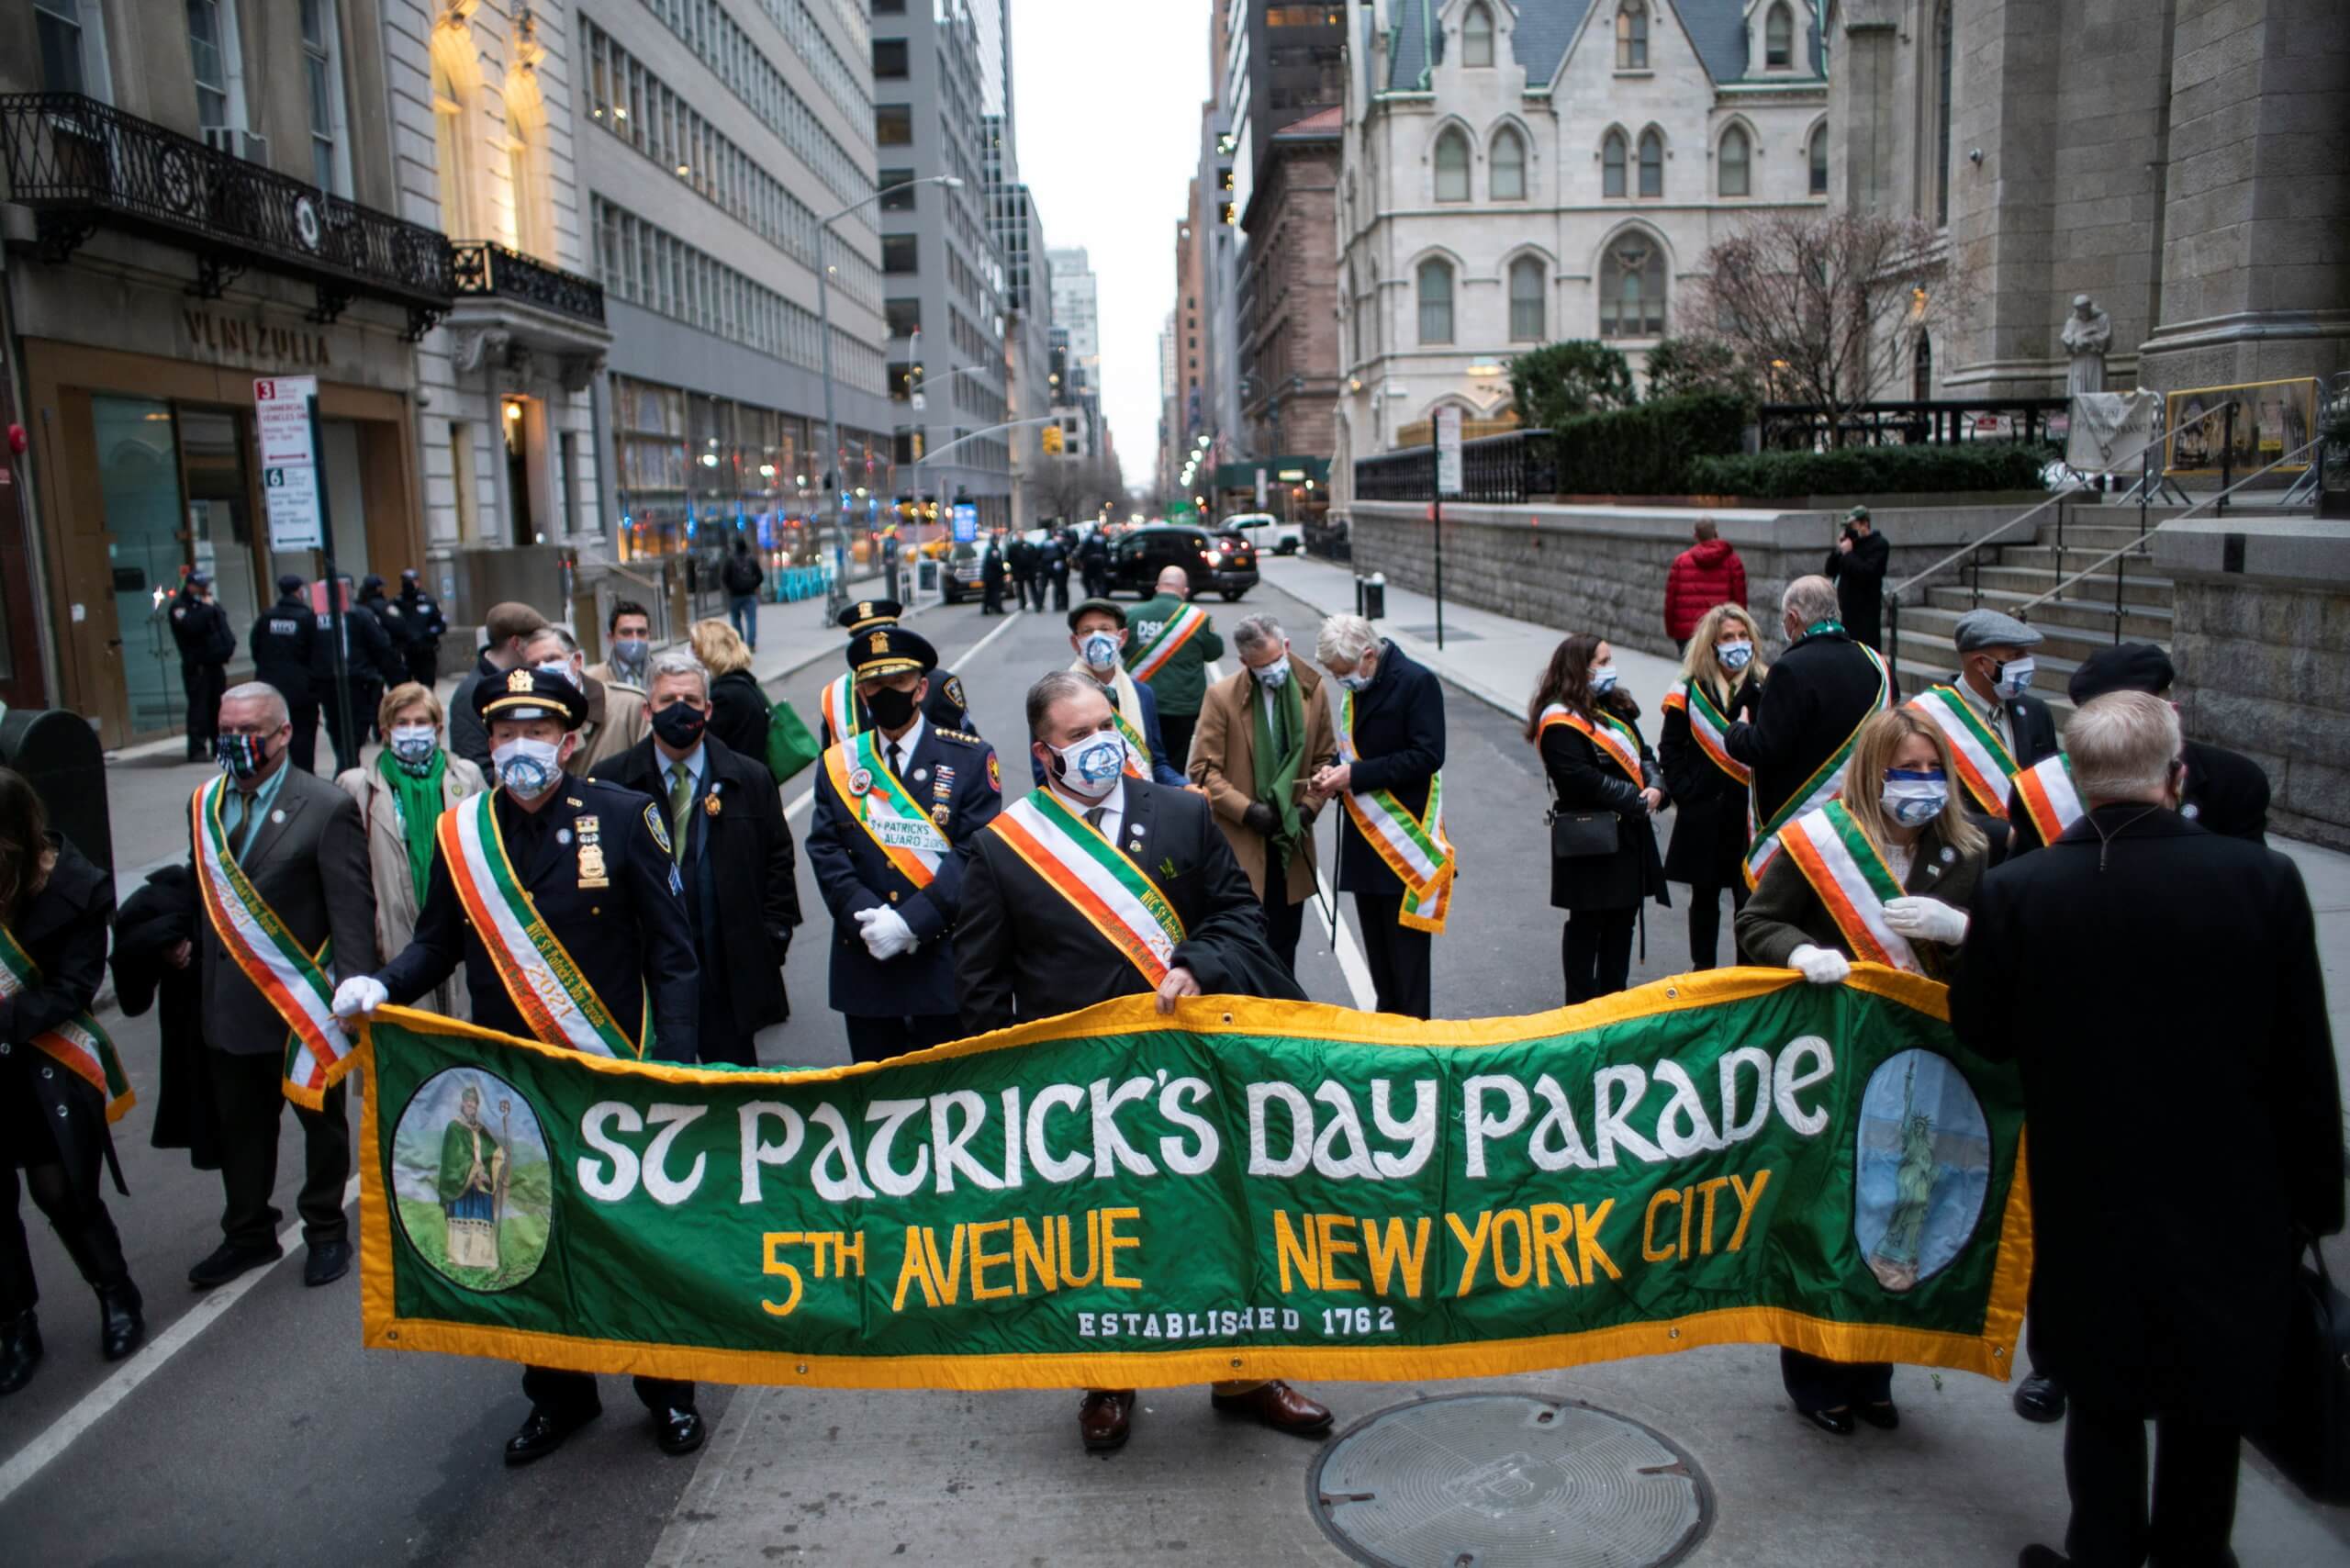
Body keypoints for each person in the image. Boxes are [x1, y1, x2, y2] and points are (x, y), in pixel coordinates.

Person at [1952, 692, 2340, 1568]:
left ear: (2079, 782)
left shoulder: (2019, 889)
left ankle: (2104, 1550)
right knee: (2210, 1408)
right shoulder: (2260, 881)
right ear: (2178, 775)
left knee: (2103, 1398)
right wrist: (2320, 1197)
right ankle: (2195, 1555)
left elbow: (1980, 1033)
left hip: (2090, 1189)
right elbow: (2303, 1057)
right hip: (2235, 1195)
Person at [332, 668, 704, 1465]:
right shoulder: (463, 832)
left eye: (538, 733)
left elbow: (674, 956)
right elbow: (438, 938)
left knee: (634, 1239)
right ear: (488, 744)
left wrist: (672, 1065)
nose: (521, 747)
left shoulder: (625, 815)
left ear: (568, 742)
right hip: (510, 1081)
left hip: (613, 1071)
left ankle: (667, 1392)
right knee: (528, 1238)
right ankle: (559, 1396)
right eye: (505, 734)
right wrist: (384, 982)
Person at [956, 671, 1328, 1455]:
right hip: (1083, 1085)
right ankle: (1108, 1378)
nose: (1100, 745)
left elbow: (1238, 915)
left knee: (1227, 1222)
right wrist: (1001, 1090)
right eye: (1079, 735)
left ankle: (1245, 1374)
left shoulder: (1184, 814)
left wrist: (1196, 962)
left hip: (1197, 1068)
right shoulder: (1003, 847)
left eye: (1107, 727)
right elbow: (982, 983)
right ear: (1044, 751)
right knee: (1107, 1235)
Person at [1736, 706, 1989, 1436]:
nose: (1922, 783)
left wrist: (1962, 932)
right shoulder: (1822, 846)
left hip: (1924, 1066)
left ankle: (1876, 1368)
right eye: (1906, 770)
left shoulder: (1967, 854)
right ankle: (1817, 1378)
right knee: (1827, 1210)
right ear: (1873, 774)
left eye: (1932, 769)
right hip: (1835, 1056)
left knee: (1902, 1213)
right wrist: (1800, 954)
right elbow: (1758, 921)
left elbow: (1998, 957)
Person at [185, 682, 377, 1291]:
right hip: (231, 1004)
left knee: (319, 1126)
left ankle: (324, 1230)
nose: (236, 746)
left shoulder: (323, 806)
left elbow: (350, 907)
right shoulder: (204, 804)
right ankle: (247, 1232)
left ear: (285, 734)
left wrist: (353, 990)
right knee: (241, 1129)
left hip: (302, 1006)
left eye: (249, 734)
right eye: (226, 733)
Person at [0, 767, 142, 1392]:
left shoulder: (76, 888)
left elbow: (72, 987)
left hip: (46, 1058)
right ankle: (14, 1321)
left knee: (62, 1192)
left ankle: (116, 1294)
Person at [596, 648, 800, 1067]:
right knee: (661, 1089)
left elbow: (778, 861)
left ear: (707, 709)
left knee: (734, 1092)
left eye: (690, 701)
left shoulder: (750, 777)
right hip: (648, 974)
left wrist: (771, 939)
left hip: (730, 970)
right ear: (647, 709)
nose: (679, 710)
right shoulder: (612, 781)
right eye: (668, 701)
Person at [805, 627, 1000, 1062]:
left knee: (948, 1098)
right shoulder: (839, 765)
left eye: (898, 682)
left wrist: (911, 923)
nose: (886, 693)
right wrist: (868, 920)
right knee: (877, 1103)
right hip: (867, 958)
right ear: (861, 692)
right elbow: (826, 849)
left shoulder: (969, 757)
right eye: (875, 684)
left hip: (942, 960)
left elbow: (974, 851)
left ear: (921, 687)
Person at [2005, 643, 2270, 857]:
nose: (2119, 734)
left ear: (2170, 713)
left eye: (2133, 720)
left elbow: (2251, 882)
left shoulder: (2236, 780)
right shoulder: (2043, 788)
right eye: (2105, 721)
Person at [1311, 613, 1450, 1018]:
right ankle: (1388, 1041)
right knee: (1381, 969)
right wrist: (1333, 770)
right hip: (1365, 841)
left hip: (1403, 841)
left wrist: (1354, 775)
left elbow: (1427, 755)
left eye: (1344, 673)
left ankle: (1415, 1047)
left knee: (1407, 969)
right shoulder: (1361, 684)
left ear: (1368, 656)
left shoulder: (1416, 682)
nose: (1342, 682)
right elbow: (1355, 748)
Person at [1189, 613, 1337, 980]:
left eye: (1276, 659)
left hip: (1291, 841)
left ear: (1286, 647)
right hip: (1244, 844)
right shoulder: (1221, 697)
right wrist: (1248, 811)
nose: (1273, 670)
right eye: (1262, 666)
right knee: (1249, 944)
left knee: (1286, 941)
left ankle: (1284, 1020)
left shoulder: (1311, 690)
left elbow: (1324, 757)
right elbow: (1203, 771)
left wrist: (1309, 807)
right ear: (1244, 663)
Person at [1723, 576, 1890, 892]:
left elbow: (1764, 746)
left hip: (1799, 821)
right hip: (1858, 815)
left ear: (1793, 618)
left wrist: (1736, 730)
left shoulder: (1790, 668)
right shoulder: (1874, 662)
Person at [332, 683, 488, 1022]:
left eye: (422, 721)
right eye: (402, 722)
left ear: (438, 729)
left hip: (457, 928)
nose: (413, 730)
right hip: (394, 931)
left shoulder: (467, 777)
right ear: (386, 732)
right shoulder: (359, 786)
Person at [1529, 634, 1670, 1002]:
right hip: (1591, 837)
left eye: (1610, 660)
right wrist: (1636, 800)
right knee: (1587, 923)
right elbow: (1579, 779)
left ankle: (1614, 1000)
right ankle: (1579, 1006)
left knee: (1623, 921)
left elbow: (1645, 754)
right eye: (1602, 662)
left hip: (1627, 836)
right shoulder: (1559, 720)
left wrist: (1656, 786)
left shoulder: (1615, 707)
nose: (1610, 669)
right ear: (1579, 668)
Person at [1659, 603, 1768, 969]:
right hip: (1703, 812)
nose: (1737, 644)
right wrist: (1685, 791)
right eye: (1728, 638)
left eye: (1743, 636)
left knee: (1747, 902)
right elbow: (1671, 748)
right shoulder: (1689, 690)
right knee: (1703, 900)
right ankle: (1703, 975)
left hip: (1748, 817)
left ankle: (1744, 982)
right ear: (1711, 645)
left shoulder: (1767, 687)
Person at [1905, 608, 2059, 832]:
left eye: (2026, 655)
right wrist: (2002, 834)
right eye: (2015, 656)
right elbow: (1925, 802)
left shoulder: (2036, 712)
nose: (2026, 664)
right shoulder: (1927, 717)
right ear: (1980, 663)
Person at [1047, 599, 1188, 788]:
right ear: (1076, 642)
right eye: (1087, 631)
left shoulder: (1142, 694)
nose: (1097, 637)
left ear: (1121, 637)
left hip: (1140, 803)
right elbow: (1046, 774)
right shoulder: (1055, 698)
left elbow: (1157, 763)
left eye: (1105, 629)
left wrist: (1184, 785)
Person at [815, 599, 972, 745]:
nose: (875, 649)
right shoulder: (836, 695)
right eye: (865, 641)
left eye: (899, 681)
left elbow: (963, 746)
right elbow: (831, 762)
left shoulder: (937, 683)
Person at [1125, 566, 1225, 768]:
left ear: (1157, 587)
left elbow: (1122, 650)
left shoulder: (1131, 616)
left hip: (1138, 703)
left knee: (1140, 762)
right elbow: (1214, 652)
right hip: (1182, 706)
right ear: (1185, 590)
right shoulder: (1198, 619)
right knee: (1173, 764)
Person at [522, 624, 648, 777]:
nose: (543, 669)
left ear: (577, 661)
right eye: (533, 665)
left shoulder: (629, 706)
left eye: (552, 659)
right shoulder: (522, 718)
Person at [449, 602, 549, 775]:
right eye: (536, 641)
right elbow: (476, 767)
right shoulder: (472, 694)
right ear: (516, 643)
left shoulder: (525, 678)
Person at [318, 576, 402, 774]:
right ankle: (347, 766)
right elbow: (381, 645)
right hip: (355, 680)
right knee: (351, 730)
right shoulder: (359, 615)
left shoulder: (322, 618)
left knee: (340, 730)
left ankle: (347, 764)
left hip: (336, 681)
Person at [251, 575, 321, 773]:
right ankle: (303, 776)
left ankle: (273, 775)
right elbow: (316, 652)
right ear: (299, 591)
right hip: (301, 689)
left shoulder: (267, 617)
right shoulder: (307, 617)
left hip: (270, 687)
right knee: (303, 738)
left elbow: (255, 647)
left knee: (271, 734)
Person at [168, 570, 234, 764]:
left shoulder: (209, 604)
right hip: (197, 666)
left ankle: (219, 746)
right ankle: (197, 749)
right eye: (200, 585)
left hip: (215, 664)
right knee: (199, 708)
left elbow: (222, 625)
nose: (204, 589)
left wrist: (227, 647)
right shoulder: (181, 607)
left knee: (218, 707)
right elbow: (190, 627)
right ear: (190, 586)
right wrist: (206, 610)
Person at [688, 619, 771, 765]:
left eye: (694, 647)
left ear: (710, 651)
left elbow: (700, 745)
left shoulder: (724, 696)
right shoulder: (743, 682)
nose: (690, 652)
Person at [1662, 518, 1747, 645]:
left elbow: (1671, 601)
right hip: (1721, 630)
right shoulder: (1732, 561)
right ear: (1716, 533)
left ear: (1696, 536)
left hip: (1688, 633)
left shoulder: (1681, 561)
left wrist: (1671, 630)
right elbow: (1740, 599)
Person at [1824, 506, 1890, 650]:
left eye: (1853, 526)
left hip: (1864, 615)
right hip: (1844, 612)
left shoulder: (1878, 545)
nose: (1850, 531)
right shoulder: (1849, 545)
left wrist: (1848, 554)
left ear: (1865, 524)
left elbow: (1867, 573)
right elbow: (1830, 569)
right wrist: (1839, 550)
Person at [393, 567, 448, 688]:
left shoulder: (428, 602)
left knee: (427, 686)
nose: (408, 584)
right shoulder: (396, 604)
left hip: (425, 652)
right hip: (405, 653)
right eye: (405, 581)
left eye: (411, 581)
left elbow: (441, 625)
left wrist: (426, 634)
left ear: (417, 582)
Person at [587, 600, 654, 689]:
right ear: (611, 638)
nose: (635, 639)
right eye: (626, 632)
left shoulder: (665, 674)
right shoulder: (592, 680)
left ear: (649, 635)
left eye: (641, 632)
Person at [722, 534, 764, 651]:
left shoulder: (730, 560)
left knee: (735, 620)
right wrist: (752, 586)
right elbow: (760, 576)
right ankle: (751, 644)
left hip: (735, 596)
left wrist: (731, 588)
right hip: (749, 594)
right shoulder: (751, 560)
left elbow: (724, 577)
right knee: (751, 619)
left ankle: (740, 643)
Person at [1008, 532, 1039, 612]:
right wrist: (1012, 570)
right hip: (1019, 571)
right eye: (1019, 535)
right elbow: (1009, 559)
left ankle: (1037, 603)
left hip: (1030, 571)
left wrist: (1036, 569)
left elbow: (1035, 558)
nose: (1020, 536)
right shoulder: (1012, 546)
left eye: (1022, 534)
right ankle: (1022, 604)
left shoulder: (1030, 545)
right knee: (1020, 588)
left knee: (1033, 588)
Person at [1078, 528, 1111, 599]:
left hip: (1089, 562)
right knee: (1100, 580)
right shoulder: (1102, 539)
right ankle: (1102, 595)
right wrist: (1107, 563)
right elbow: (1107, 552)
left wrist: (1080, 559)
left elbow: (1082, 550)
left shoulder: (1088, 539)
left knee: (1086, 580)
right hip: (1101, 562)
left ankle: (1090, 594)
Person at [1042, 530, 1070, 611]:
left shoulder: (1063, 544)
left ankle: (1063, 604)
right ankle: (1058, 604)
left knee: (1061, 587)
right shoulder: (1054, 545)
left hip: (1062, 569)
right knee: (1058, 587)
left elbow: (1066, 555)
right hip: (1055, 569)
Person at [980, 533, 1007, 616]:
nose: (997, 541)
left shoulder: (991, 549)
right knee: (995, 592)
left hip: (990, 575)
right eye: (996, 540)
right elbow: (995, 562)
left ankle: (987, 608)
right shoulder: (993, 550)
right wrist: (1002, 569)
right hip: (993, 575)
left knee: (989, 592)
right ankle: (998, 608)